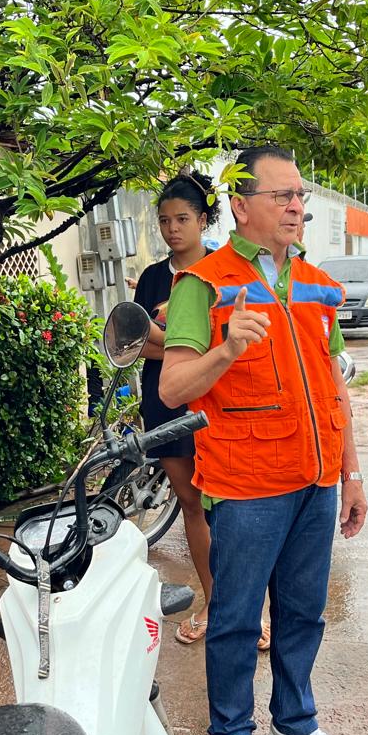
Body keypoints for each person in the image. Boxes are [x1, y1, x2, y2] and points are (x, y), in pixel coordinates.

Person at [159, 146, 368, 735]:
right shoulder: (203, 285)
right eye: (282, 195)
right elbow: (172, 388)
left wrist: (352, 472)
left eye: (299, 195)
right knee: (236, 618)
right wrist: (226, 349)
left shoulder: (317, 284)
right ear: (241, 206)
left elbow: (334, 383)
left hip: (316, 478)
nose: (296, 206)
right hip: (246, 483)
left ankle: (295, 727)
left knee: (304, 612)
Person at [133, 172, 218, 645]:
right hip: (166, 402)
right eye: (164, 221)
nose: (172, 229)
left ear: (203, 220)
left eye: (182, 219)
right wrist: (195, 345)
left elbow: (230, 342)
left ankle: (250, 611)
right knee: (191, 503)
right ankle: (213, 601)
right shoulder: (151, 279)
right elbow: (135, 343)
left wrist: (168, 339)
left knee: (230, 508)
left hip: (219, 402)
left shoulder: (223, 271)